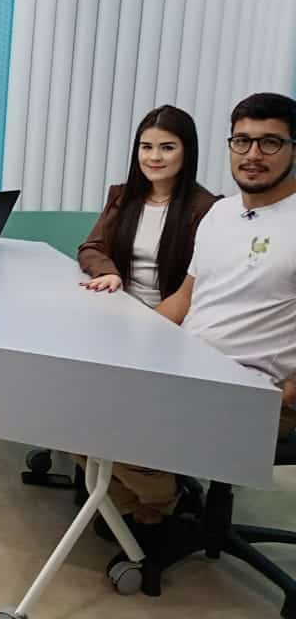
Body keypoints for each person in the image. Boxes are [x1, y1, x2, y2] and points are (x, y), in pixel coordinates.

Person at [100, 93, 296, 549]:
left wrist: (289, 392)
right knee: (68, 400)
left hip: (255, 389)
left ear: (292, 148)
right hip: (187, 365)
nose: (252, 155)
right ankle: (156, 505)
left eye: (270, 143)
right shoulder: (221, 213)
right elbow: (186, 297)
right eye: (242, 141)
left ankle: (158, 510)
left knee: (112, 423)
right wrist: (125, 340)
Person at [77, 105, 219, 308]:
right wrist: (107, 272)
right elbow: (92, 247)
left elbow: (203, 282)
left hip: (172, 317)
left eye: (167, 148)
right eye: (146, 147)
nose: (154, 157)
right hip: (118, 303)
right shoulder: (122, 196)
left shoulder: (207, 208)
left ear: (187, 152)